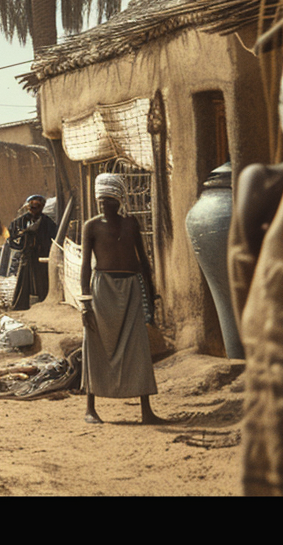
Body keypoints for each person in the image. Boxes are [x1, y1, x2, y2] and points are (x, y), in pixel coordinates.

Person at [79, 173, 160, 425]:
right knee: (95, 344)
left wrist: (151, 296)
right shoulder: (90, 226)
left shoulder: (131, 224)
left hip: (132, 288)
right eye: (101, 201)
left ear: (120, 200)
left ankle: (146, 410)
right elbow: (84, 267)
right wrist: (85, 303)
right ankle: (90, 409)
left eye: (110, 201)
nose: (105, 205)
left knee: (138, 347)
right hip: (102, 289)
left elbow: (144, 262)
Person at [7, 195, 56, 310]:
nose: (34, 210)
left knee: (42, 281)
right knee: (24, 280)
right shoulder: (21, 222)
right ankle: (22, 305)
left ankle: (42, 303)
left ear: (41, 207)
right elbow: (12, 237)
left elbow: (54, 237)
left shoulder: (48, 223)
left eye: (37, 207)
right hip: (27, 255)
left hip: (41, 257)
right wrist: (23, 239)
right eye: (32, 207)